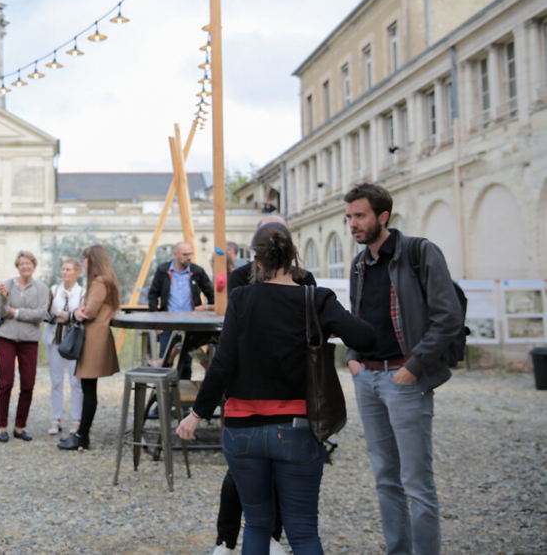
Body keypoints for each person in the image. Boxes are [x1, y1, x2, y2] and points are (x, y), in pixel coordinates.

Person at [177, 222, 376, 555]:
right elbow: (366, 337)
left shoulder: (240, 298)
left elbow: (223, 364)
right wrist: (321, 329)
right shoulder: (316, 299)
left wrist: (195, 415)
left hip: (241, 431)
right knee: (302, 532)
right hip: (298, 429)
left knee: (256, 525)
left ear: (256, 262)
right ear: (294, 256)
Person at [344, 183, 462, 555]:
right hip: (368, 379)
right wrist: (352, 356)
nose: (353, 224)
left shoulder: (419, 252)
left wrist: (413, 368)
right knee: (385, 481)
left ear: (383, 217)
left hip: (404, 379)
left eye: (360, 216)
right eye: (348, 217)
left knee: (417, 483)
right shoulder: (359, 264)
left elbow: (448, 319)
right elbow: (357, 316)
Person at [212, 215, 318, 555]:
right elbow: (226, 357)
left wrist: (198, 412)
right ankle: (225, 540)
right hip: (266, 409)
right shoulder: (242, 284)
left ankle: (271, 538)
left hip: (270, 411)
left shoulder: (306, 287)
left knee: (268, 518)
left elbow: (223, 360)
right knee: (245, 489)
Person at [58, 245, 121, 451]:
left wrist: (77, 311)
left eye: (84, 259)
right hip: (96, 337)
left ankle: (82, 436)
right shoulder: (104, 280)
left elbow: (89, 311)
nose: (82, 263)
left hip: (94, 339)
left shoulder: (100, 282)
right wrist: (80, 310)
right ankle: (81, 434)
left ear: (92, 260)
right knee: (88, 388)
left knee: (88, 389)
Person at [0, 251, 50, 442]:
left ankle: (19, 427)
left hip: (29, 340)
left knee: (28, 384)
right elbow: (1, 311)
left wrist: (15, 312)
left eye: (28, 263)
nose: (25, 266)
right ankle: (2, 426)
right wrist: (3, 297)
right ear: (17, 266)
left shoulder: (42, 288)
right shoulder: (7, 284)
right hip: (6, 338)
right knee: (6, 382)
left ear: (34, 265)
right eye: (21, 263)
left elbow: (40, 314)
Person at [147, 242, 215, 379]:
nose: (189, 257)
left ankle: (183, 393)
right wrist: (156, 321)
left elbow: (211, 294)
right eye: (185, 254)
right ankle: (164, 396)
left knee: (186, 361)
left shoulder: (197, 271)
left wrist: (208, 312)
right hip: (168, 322)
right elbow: (153, 294)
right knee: (166, 358)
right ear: (175, 254)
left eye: (190, 254)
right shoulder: (163, 270)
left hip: (191, 322)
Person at [43, 258, 85, 437]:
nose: (64, 273)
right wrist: (70, 315)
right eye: (63, 269)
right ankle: (56, 418)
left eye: (68, 269)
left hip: (74, 341)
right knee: (56, 380)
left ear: (78, 273)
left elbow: (81, 316)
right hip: (54, 340)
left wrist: (60, 313)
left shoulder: (83, 293)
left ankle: (77, 419)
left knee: (76, 382)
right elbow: (47, 314)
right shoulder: (54, 290)